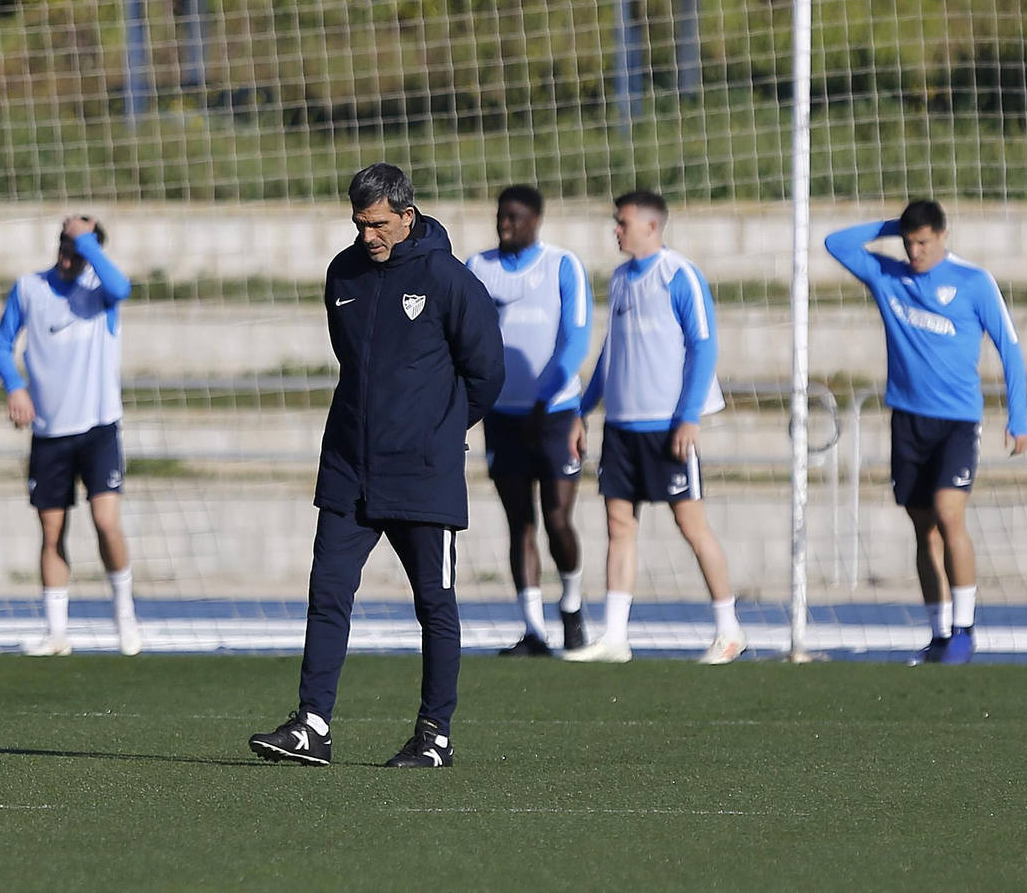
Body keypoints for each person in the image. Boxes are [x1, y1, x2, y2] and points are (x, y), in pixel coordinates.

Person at [248, 163, 504, 768]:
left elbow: (488, 374)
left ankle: (434, 736)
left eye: (380, 223)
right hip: (348, 469)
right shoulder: (343, 274)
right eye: (360, 224)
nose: (369, 236)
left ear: (407, 216)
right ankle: (312, 724)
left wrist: (434, 433)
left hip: (422, 473)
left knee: (434, 605)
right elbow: (353, 362)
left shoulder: (448, 279)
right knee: (327, 595)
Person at [825, 200, 1027, 665]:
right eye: (908, 241)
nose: (914, 251)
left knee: (948, 513)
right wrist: (893, 225)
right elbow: (835, 243)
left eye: (923, 241)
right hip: (907, 420)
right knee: (923, 529)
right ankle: (939, 632)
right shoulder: (888, 275)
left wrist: (1019, 418)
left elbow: (1010, 349)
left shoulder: (973, 282)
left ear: (943, 235)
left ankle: (965, 628)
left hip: (957, 422)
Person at [563, 190, 744, 665]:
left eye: (622, 222)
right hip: (621, 427)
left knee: (691, 524)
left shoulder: (678, 275)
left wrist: (688, 417)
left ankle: (729, 631)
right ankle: (616, 637)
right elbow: (611, 352)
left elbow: (704, 346)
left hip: (667, 427)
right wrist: (584, 409)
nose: (615, 230)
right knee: (618, 524)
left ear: (650, 226)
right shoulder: (621, 279)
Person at [0, 215, 142, 657]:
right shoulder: (29, 288)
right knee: (51, 531)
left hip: (98, 426)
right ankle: (56, 633)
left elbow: (123, 287)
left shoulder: (102, 291)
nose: (67, 253)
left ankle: (124, 617)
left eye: (76, 247)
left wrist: (87, 242)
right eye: (63, 243)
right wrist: (15, 387)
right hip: (50, 432)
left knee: (105, 521)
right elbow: (1, 345)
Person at [466, 185, 593, 657]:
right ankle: (533, 630)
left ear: (536, 220)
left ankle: (573, 606)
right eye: (501, 217)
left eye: (515, 218)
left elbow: (575, 338)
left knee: (558, 517)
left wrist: (545, 398)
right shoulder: (477, 268)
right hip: (501, 417)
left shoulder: (563, 265)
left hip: (556, 414)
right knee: (519, 521)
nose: (505, 226)